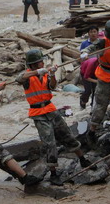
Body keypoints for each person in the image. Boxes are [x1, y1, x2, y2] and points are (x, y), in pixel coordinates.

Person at [20, 50, 94, 185]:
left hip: (50, 110)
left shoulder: (44, 75)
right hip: (38, 114)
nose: (43, 63)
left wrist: (52, 74)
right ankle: (53, 173)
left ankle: (83, 159)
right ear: (35, 64)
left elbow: (52, 86)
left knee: (67, 135)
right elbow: (19, 78)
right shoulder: (27, 77)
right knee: (50, 143)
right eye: (41, 61)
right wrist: (39, 72)